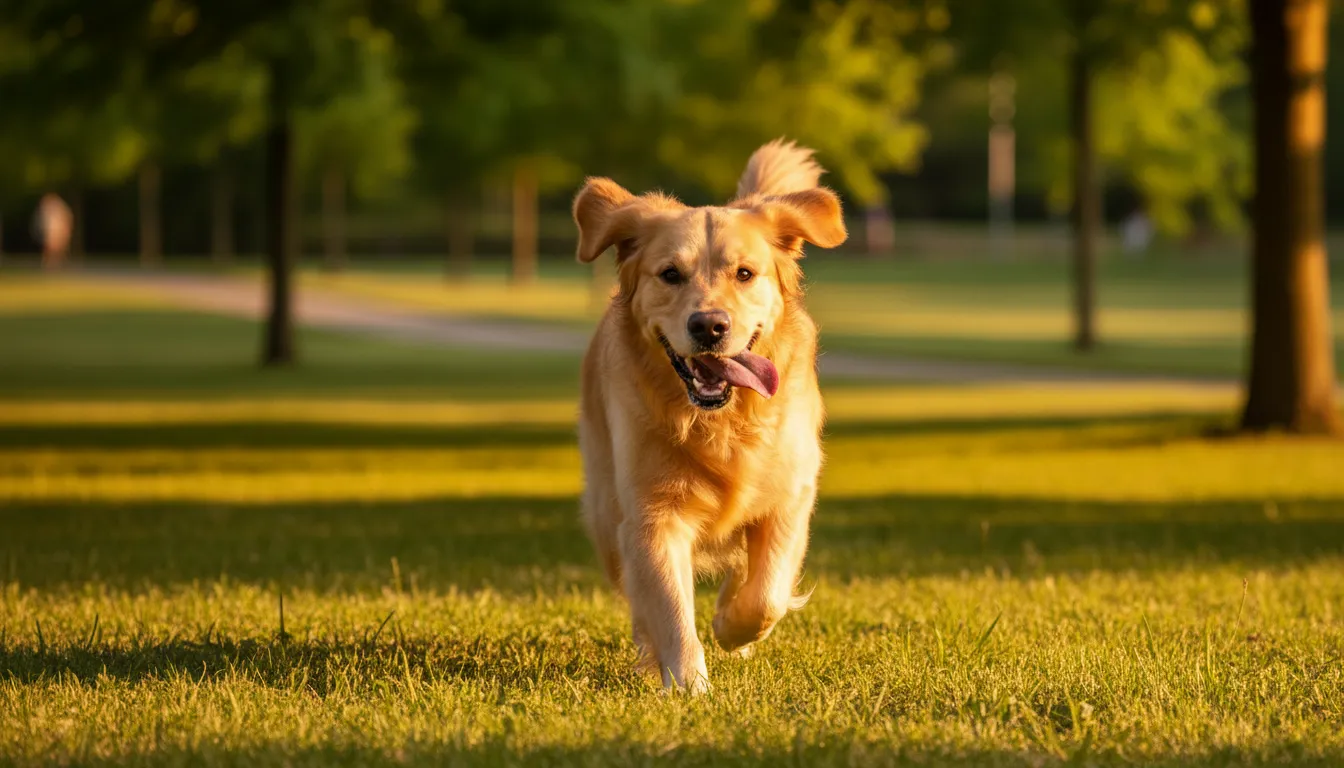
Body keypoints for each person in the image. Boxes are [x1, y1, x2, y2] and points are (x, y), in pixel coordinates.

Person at [33, 193, 73, 269]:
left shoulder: (59, 210)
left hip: (57, 232)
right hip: (53, 232)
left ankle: (56, 265)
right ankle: (49, 266)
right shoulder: (51, 212)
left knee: (58, 250)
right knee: (50, 250)